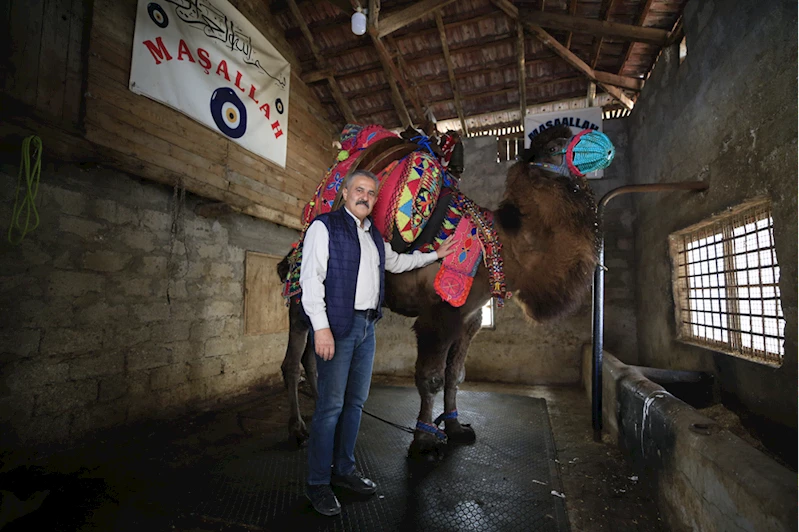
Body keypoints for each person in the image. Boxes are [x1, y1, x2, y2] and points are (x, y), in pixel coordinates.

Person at [299, 169, 457, 516]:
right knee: (330, 408)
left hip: (368, 327)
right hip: (338, 328)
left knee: (355, 403)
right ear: (344, 193)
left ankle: (343, 471)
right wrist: (321, 329)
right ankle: (317, 485)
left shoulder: (373, 235)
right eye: (359, 190)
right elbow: (311, 280)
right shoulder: (324, 228)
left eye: (371, 193)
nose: (365, 197)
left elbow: (398, 262)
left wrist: (435, 254)